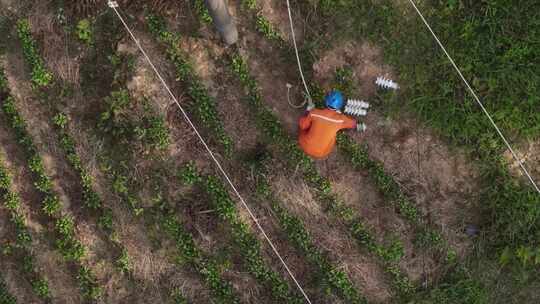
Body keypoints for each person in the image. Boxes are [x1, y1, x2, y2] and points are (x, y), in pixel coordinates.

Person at [298, 90, 366, 159]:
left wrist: (308, 111)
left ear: (326, 101)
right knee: (333, 136)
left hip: (304, 145)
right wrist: (358, 125)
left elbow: (302, 126)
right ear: (339, 106)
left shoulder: (314, 113)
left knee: (306, 125)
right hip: (320, 153)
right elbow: (353, 124)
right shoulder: (340, 120)